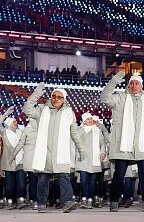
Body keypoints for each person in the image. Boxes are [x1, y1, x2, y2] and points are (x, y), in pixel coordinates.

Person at [100, 72, 144, 212]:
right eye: (132, 83)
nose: (134, 86)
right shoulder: (120, 98)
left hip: (141, 144)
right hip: (124, 144)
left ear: (141, 86)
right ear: (128, 85)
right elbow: (104, 98)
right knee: (119, 174)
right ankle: (114, 200)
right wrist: (113, 82)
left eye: (137, 83)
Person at [22, 82, 85, 213]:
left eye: (59, 97)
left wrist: (81, 148)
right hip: (45, 152)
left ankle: (67, 202)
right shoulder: (42, 110)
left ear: (64, 100)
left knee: (65, 177)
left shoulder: (69, 113)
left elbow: (74, 132)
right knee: (43, 179)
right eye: (54, 96)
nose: (55, 99)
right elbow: (26, 109)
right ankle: (41, 203)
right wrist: (36, 94)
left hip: (60, 153)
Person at [76, 112, 108, 209]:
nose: (90, 121)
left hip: (95, 159)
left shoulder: (97, 130)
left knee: (93, 181)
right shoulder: (80, 130)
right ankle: (84, 198)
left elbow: (102, 143)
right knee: (84, 180)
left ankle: (90, 199)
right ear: (84, 121)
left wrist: (102, 152)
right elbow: (77, 142)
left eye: (91, 119)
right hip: (84, 159)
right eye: (87, 119)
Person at [0, 107, 26, 209]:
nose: (15, 122)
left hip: (20, 161)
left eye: (16, 121)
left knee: (21, 184)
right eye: (13, 121)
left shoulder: (21, 132)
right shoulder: (4, 133)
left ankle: (21, 200)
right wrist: (6, 113)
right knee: (9, 186)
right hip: (8, 163)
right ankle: (10, 201)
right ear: (9, 123)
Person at [10, 118, 39, 209]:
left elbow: (20, 144)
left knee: (36, 182)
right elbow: (20, 144)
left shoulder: (39, 129)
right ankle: (35, 201)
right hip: (32, 160)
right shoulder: (28, 130)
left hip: (37, 160)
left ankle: (36, 201)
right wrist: (13, 156)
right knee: (35, 182)